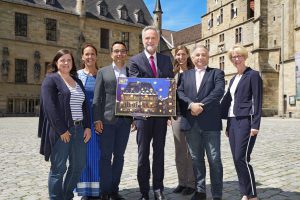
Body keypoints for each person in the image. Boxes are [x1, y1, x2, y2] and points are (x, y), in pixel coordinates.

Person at [38, 49, 91, 200]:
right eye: (62, 60)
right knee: (58, 168)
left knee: (78, 165)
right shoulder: (51, 79)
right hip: (61, 131)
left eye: (69, 60)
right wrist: (62, 130)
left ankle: (66, 196)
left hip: (79, 129)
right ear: (56, 62)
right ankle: (55, 197)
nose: (66, 63)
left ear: (73, 63)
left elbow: (84, 105)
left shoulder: (77, 81)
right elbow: (50, 107)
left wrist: (87, 126)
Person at [128, 26, 174, 200]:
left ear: (157, 40)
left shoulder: (165, 60)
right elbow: (134, 87)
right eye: (147, 38)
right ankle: (144, 191)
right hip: (143, 116)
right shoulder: (134, 61)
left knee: (159, 153)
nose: (150, 41)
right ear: (143, 40)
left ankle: (158, 189)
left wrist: (170, 112)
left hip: (161, 116)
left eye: (153, 38)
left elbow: (169, 86)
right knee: (143, 154)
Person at [177, 45, 225, 200]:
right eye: (197, 55)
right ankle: (200, 190)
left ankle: (217, 194)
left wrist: (200, 106)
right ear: (193, 57)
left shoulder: (216, 73)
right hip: (191, 124)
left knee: (214, 159)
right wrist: (191, 105)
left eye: (203, 54)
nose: (200, 57)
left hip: (210, 124)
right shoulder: (185, 75)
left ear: (208, 56)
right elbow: (180, 93)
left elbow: (218, 91)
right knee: (196, 159)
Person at [220, 44, 262, 200]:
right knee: (236, 159)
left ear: (244, 56)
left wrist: (255, 124)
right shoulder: (233, 79)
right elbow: (229, 102)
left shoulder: (253, 75)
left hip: (246, 120)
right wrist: (228, 125)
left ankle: (252, 195)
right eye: (233, 57)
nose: (236, 59)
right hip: (233, 122)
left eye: (239, 56)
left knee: (242, 157)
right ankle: (245, 192)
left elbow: (257, 100)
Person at [93, 41, 133, 200]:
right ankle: (105, 191)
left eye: (122, 51)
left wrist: (135, 118)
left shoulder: (131, 72)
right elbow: (97, 98)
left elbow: (137, 97)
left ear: (126, 54)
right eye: (116, 51)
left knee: (120, 156)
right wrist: (97, 119)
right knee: (105, 157)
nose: (119, 54)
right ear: (111, 54)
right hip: (107, 120)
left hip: (125, 121)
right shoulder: (103, 71)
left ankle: (114, 190)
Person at [76, 44, 100, 199]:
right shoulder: (76, 75)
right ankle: (85, 191)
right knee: (83, 156)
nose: (90, 57)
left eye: (92, 54)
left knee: (96, 155)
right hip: (82, 121)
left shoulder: (102, 74)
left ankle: (97, 189)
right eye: (87, 54)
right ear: (82, 57)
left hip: (98, 121)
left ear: (96, 56)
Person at [171, 45, 195, 196]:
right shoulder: (172, 74)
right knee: (179, 151)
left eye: (183, 54)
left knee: (190, 151)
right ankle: (182, 182)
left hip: (191, 116)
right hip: (176, 116)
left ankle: (191, 184)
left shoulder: (193, 73)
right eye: (178, 54)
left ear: (187, 55)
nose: (180, 57)